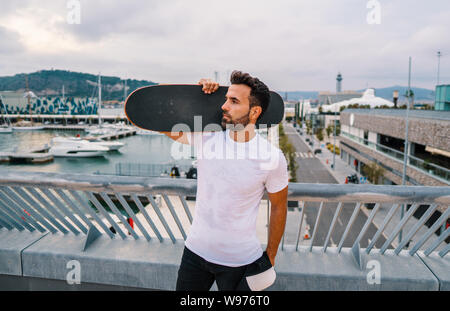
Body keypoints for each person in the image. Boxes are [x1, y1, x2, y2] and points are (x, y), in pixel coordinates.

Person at [162, 70, 288, 291]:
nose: (224, 106)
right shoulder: (207, 137)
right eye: (225, 99)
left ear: (254, 111)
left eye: (233, 101)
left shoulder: (271, 157)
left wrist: (270, 256)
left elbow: (279, 206)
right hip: (195, 253)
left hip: (241, 261)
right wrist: (198, 97)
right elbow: (163, 124)